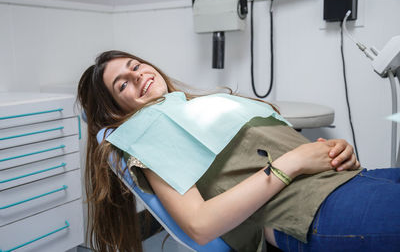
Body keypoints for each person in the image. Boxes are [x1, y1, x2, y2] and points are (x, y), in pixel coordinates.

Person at [78, 50, 400, 252]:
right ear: (115, 110)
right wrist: (292, 162)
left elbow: (273, 145)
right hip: (308, 211)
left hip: (349, 180)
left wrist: (335, 150)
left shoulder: (194, 107)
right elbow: (199, 226)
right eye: (123, 84)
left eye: (135, 65)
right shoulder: (146, 134)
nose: (137, 75)